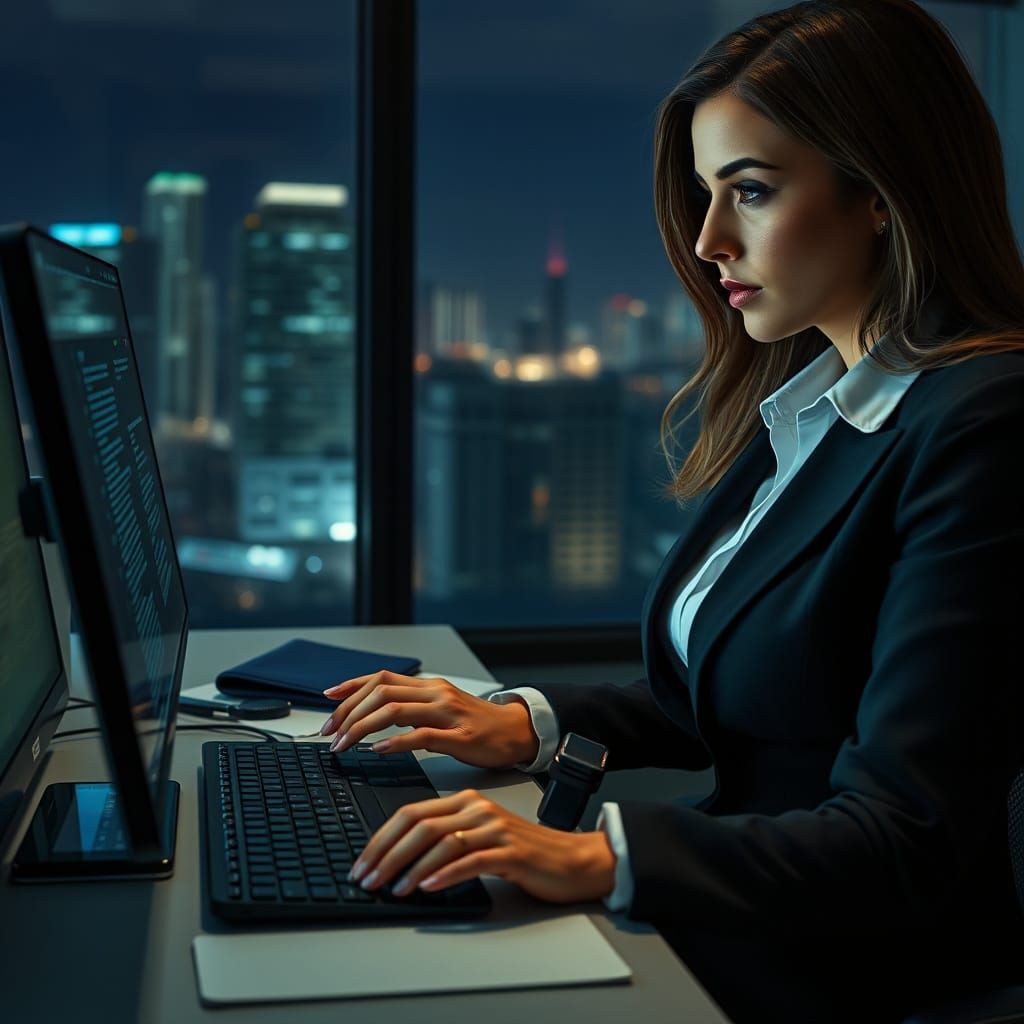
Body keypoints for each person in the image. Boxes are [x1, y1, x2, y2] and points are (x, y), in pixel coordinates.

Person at [320, 1, 1024, 1019]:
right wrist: (522, 720)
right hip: (744, 930)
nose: (706, 239)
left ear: (880, 192)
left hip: (839, 972)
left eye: (750, 191)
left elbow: (900, 835)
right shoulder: (819, 400)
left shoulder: (982, 421)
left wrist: (592, 853)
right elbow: (757, 686)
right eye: (704, 195)